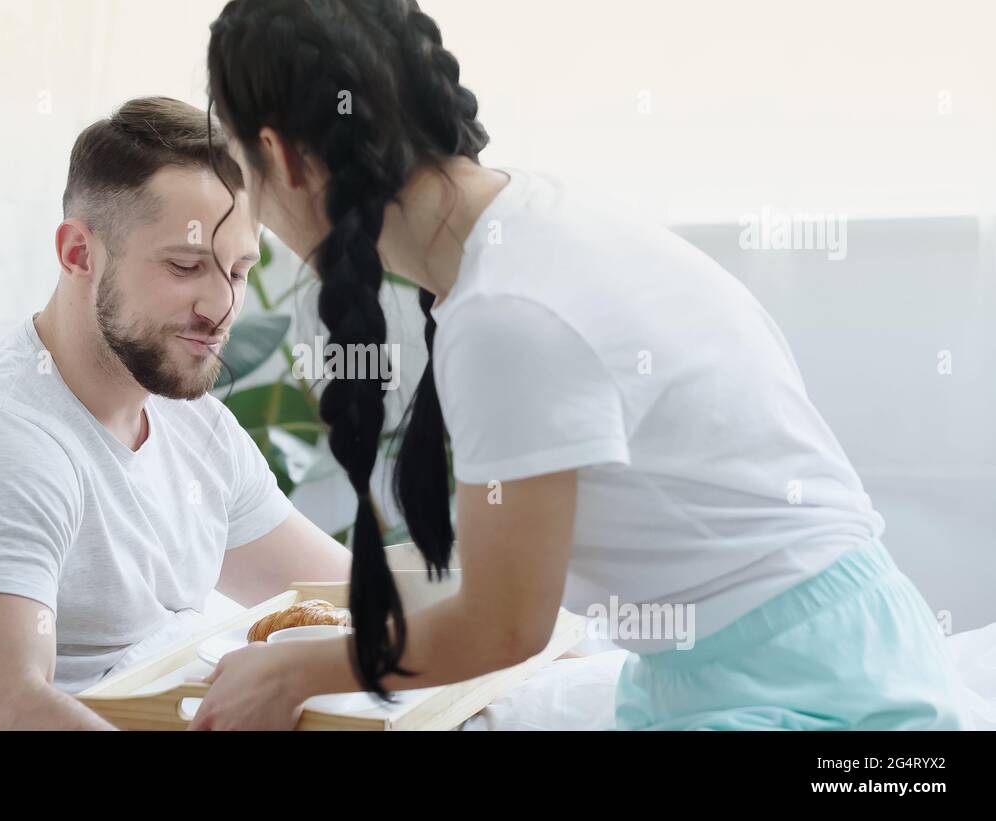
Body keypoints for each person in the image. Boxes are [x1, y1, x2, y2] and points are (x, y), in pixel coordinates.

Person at [187, 0, 970, 730]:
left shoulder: (508, 310)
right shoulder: (531, 226)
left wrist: (293, 672)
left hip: (838, 706)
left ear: (282, 156)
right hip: (804, 657)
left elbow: (504, 625)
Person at [0, 96, 351, 730]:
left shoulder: (190, 425)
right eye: (185, 266)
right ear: (78, 254)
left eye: (237, 270)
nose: (222, 307)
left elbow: (337, 594)